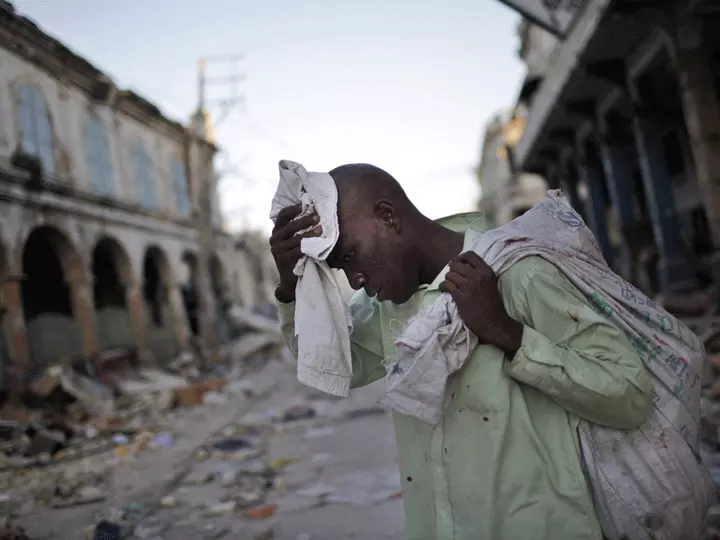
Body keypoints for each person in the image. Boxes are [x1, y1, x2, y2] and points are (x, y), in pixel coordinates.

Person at [270, 163, 653, 540]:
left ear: (387, 216)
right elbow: (334, 365)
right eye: (340, 268)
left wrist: (506, 333)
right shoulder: (387, 307)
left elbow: (630, 394)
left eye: (350, 256)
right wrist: (292, 287)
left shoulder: (517, 272)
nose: (354, 279)